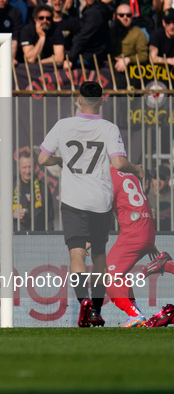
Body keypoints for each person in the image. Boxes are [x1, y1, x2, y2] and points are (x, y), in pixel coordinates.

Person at [37, 81, 144, 328]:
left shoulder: (63, 125)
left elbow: (42, 158)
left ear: (78, 99)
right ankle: (95, 310)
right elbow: (118, 164)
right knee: (98, 257)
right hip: (100, 202)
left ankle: (83, 302)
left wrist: (61, 159)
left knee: (77, 254)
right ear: (103, 100)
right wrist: (135, 169)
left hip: (73, 202)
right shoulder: (108, 128)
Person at [105, 166, 163, 327]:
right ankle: (135, 314)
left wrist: (90, 239)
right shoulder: (129, 176)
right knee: (119, 276)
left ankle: (135, 315)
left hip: (133, 233)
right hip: (146, 231)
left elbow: (103, 211)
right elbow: (146, 204)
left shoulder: (106, 175)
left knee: (104, 278)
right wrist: (149, 237)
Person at [63, 0, 111, 70]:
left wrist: (70, 59)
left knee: (58, 61)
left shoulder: (95, 12)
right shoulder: (94, 9)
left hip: (89, 56)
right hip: (92, 53)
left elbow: (83, 37)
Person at [13, 151, 54, 231]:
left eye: (30, 167)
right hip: (16, 236)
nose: (28, 171)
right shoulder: (10, 187)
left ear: (35, 167)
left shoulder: (43, 188)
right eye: (24, 167)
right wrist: (12, 214)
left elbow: (50, 218)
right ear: (19, 168)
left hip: (38, 236)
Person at [110, 3, 149, 72]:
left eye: (128, 15)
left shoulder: (138, 33)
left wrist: (129, 59)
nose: (125, 18)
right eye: (121, 15)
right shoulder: (110, 31)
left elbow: (144, 56)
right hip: (110, 68)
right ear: (115, 16)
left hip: (130, 70)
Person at [146, 165, 172, 231]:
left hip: (169, 236)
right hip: (148, 234)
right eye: (155, 177)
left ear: (168, 179)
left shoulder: (172, 196)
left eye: (162, 177)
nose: (158, 180)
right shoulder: (144, 195)